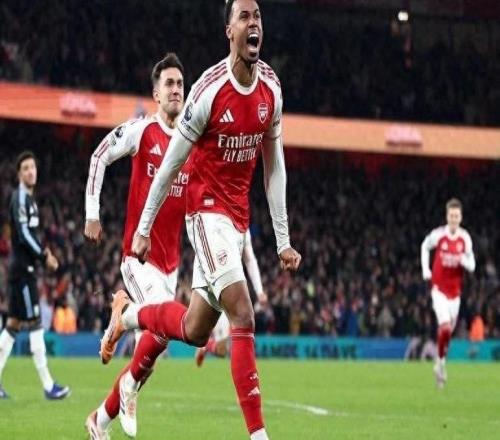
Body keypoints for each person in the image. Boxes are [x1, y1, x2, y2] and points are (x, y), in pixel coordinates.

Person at [100, 1, 301, 439]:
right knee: (243, 313)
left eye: (258, 16)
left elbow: (275, 167)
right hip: (205, 212)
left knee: (193, 330)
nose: (253, 23)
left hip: (237, 220)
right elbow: (172, 163)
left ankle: (127, 321)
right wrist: (144, 227)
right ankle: (259, 435)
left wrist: (282, 239)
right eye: (244, 16)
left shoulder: (271, 88)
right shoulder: (209, 89)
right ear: (229, 30)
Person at [84, 53, 189, 439]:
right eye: (169, 84)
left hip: (171, 263)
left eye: (180, 84)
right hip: (139, 257)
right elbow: (99, 156)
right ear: (156, 94)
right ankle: (124, 314)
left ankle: (99, 421)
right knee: (161, 330)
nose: (176, 90)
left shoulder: (190, 142)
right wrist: (91, 213)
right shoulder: (141, 131)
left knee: (152, 354)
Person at [0, 151, 70, 400]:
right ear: (19, 174)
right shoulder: (20, 197)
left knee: (13, 325)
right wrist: (43, 256)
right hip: (23, 272)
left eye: (33, 167)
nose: (31, 171)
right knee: (36, 323)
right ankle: (48, 385)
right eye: (26, 168)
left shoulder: (29, 200)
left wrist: (43, 252)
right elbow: (23, 234)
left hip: (22, 271)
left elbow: (30, 234)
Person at [421, 198, 475, 388]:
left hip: (455, 294)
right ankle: (441, 364)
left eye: (456, 216)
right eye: (451, 215)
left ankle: (440, 363)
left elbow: (472, 265)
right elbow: (424, 246)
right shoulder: (438, 235)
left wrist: (463, 261)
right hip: (439, 290)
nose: (454, 219)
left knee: (447, 334)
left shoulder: (465, 238)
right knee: (444, 328)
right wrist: (426, 270)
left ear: (461, 217)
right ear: (447, 216)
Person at [195, 230, 267, 366]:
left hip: (233, 288)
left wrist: (260, 291)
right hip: (215, 286)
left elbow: (250, 259)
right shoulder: (214, 222)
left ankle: (207, 346)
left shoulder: (244, 229)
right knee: (196, 333)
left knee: (223, 350)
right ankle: (205, 345)